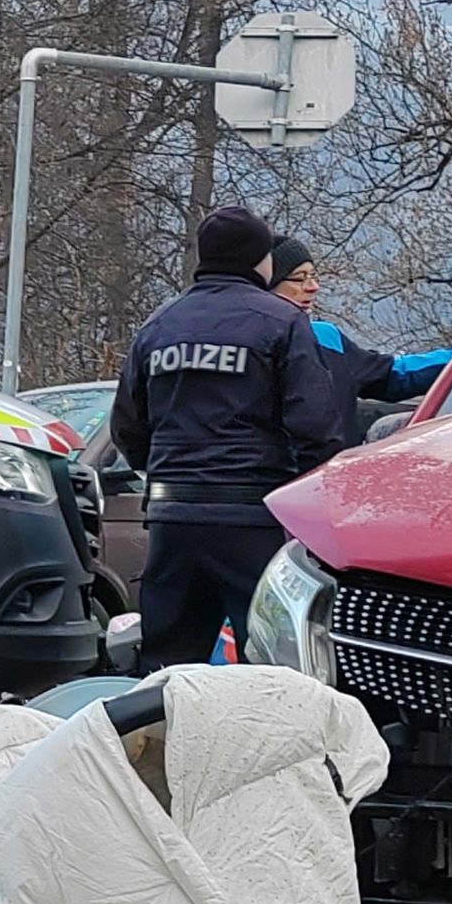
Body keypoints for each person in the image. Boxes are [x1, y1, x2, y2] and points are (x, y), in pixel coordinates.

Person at [111, 204, 310, 671]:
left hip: (171, 518)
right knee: (270, 663)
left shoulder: (158, 327)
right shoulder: (281, 322)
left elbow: (127, 426)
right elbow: (315, 425)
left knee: (166, 667)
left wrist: (170, 474)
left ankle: (162, 741)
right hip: (251, 517)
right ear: (261, 260)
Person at [267, 236, 452, 472]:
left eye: (313, 276)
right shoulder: (253, 343)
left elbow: (393, 375)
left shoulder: (327, 337)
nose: (313, 286)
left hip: (330, 483)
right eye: (299, 279)